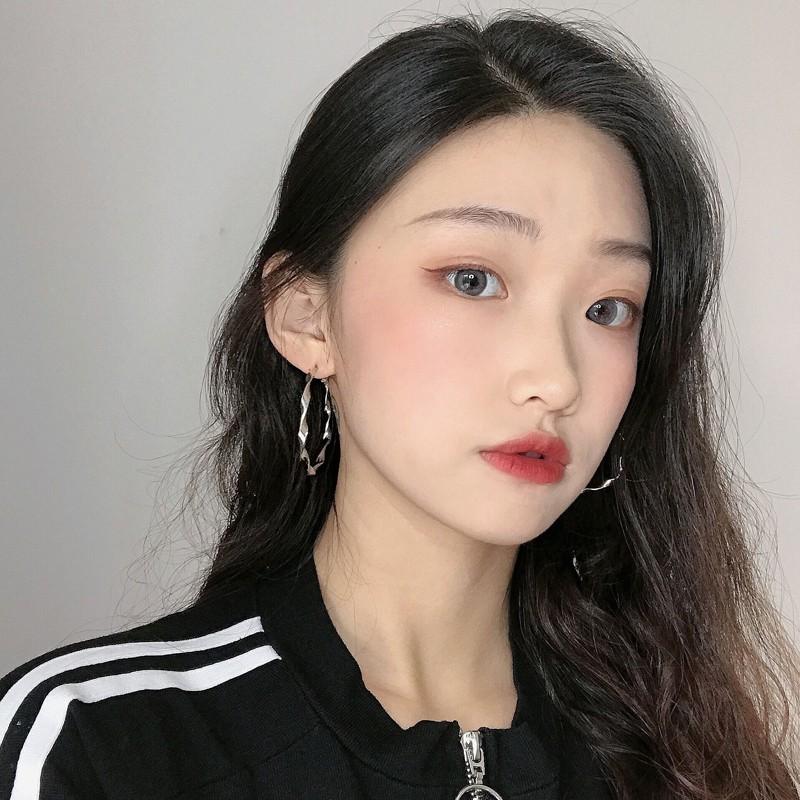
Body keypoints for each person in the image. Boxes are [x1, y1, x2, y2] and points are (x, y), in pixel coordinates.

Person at [2, 7, 798, 799]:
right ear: (307, 318)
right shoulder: (97, 748)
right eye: (473, 280)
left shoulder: (694, 762)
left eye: (608, 308)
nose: (557, 379)